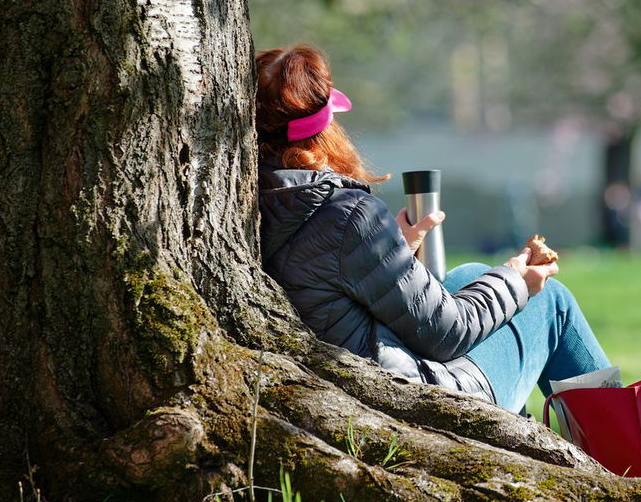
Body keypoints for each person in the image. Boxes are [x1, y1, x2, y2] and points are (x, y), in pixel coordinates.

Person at [254, 44, 612, 413]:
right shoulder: (347, 216)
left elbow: (326, 287)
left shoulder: (262, 202)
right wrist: (519, 280)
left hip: (359, 379)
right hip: (417, 402)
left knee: (472, 274)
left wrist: (391, 254)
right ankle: (623, 448)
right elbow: (447, 335)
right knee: (551, 302)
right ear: (327, 125)